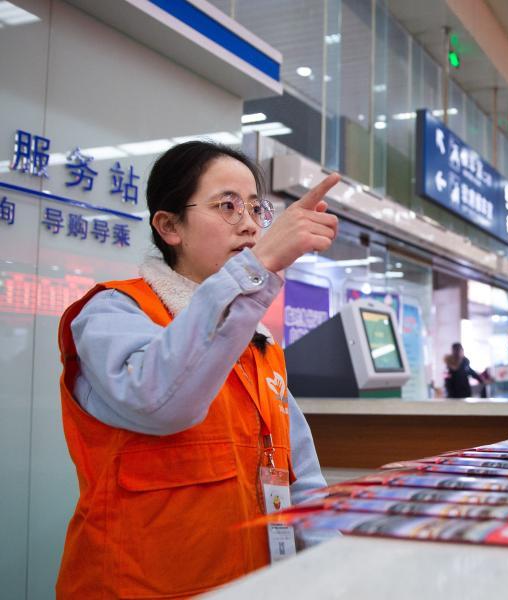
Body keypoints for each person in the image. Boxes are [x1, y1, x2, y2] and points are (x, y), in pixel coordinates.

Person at [56, 141, 341, 598]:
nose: (249, 223)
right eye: (227, 205)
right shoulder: (113, 313)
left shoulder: (258, 342)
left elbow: (300, 480)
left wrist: (342, 568)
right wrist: (257, 266)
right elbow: (163, 401)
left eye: (254, 206)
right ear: (169, 226)